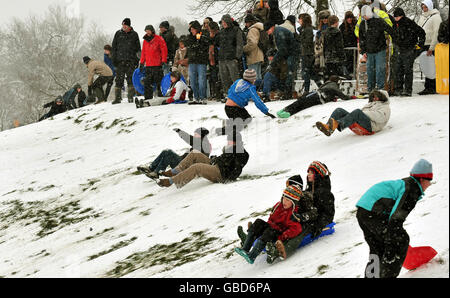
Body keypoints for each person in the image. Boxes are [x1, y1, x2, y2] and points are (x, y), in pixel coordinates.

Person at [356, 159, 434, 278]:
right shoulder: (412, 189)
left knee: (377, 249)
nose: (429, 184)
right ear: (422, 179)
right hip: (373, 213)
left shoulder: (405, 184)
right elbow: (397, 216)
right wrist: (394, 236)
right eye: (429, 180)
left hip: (364, 211)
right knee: (399, 241)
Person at [267, 162, 335, 262]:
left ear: (317, 175)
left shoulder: (325, 193)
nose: (308, 175)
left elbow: (328, 214)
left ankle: (283, 249)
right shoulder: (309, 189)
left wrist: (318, 225)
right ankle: (267, 239)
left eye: (311, 172)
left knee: (301, 229)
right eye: (308, 172)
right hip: (308, 216)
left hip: (316, 221)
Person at [234, 184, 302, 264]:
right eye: (284, 198)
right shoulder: (278, 206)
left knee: (269, 232)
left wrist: (282, 236)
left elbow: (297, 229)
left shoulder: (293, 215)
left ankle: (252, 256)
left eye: (288, 200)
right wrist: (263, 227)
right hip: (271, 228)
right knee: (258, 222)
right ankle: (245, 249)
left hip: (277, 234)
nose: (284, 201)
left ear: (293, 202)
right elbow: (271, 218)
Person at [156, 131, 249, 189]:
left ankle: (171, 181)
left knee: (197, 167)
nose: (228, 142)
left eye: (230, 141)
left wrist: (228, 179)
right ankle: (175, 171)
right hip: (216, 165)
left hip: (221, 174)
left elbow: (237, 168)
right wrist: (215, 159)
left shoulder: (242, 153)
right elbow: (224, 160)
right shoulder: (232, 149)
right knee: (194, 153)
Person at [217, 69, 275, 137]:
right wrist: (266, 112)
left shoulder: (238, 81)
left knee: (247, 119)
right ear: (253, 80)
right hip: (233, 109)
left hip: (229, 107)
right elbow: (258, 102)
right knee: (239, 125)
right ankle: (222, 130)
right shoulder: (251, 88)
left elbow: (231, 90)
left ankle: (231, 122)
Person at [137, 127, 211, 179]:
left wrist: (180, 132)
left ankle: (156, 172)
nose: (194, 135)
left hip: (186, 167)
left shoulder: (203, 143)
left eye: (196, 134)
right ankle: (151, 168)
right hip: (183, 163)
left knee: (168, 152)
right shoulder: (199, 143)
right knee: (166, 152)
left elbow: (189, 139)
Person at [316, 89, 391, 136]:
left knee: (357, 112)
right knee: (339, 110)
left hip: (370, 128)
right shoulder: (371, 104)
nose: (375, 98)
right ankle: (328, 127)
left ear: (382, 97)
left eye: (377, 97)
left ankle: (339, 124)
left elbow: (380, 117)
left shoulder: (385, 107)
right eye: (374, 97)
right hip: (360, 125)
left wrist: (363, 114)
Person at [277, 76, 351, 118]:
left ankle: (285, 110)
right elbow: (343, 96)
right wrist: (352, 97)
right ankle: (288, 113)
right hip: (317, 97)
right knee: (303, 105)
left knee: (301, 101)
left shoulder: (327, 84)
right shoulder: (333, 85)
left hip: (314, 93)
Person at [358, 5, 394, 92]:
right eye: (363, 16)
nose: (364, 17)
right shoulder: (363, 24)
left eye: (365, 15)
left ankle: (381, 90)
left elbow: (390, 30)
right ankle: (371, 90)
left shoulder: (379, 21)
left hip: (380, 50)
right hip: (369, 52)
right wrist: (363, 51)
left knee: (380, 71)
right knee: (370, 72)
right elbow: (361, 38)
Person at [392, 8, 426, 97]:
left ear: (401, 16)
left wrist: (419, 45)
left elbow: (421, 32)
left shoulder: (409, 23)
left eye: (397, 17)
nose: (395, 18)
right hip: (400, 49)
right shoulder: (395, 24)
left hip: (409, 49)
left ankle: (407, 90)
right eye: (395, 17)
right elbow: (394, 35)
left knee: (407, 70)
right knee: (399, 70)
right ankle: (399, 89)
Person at [264, 20, 298, 100]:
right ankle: (287, 92)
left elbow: (282, 50)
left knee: (289, 72)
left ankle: (287, 93)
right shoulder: (277, 31)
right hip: (290, 53)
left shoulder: (279, 33)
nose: (267, 32)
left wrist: (273, 63)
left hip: (292, 53)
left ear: (272, 27)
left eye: (268, 30)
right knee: (288, 72)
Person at [111, 18, 141, 104]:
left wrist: (137, 61)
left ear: (129, 26)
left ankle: (131, 97)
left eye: (125, 25)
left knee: (131, 79)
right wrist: (114, 60)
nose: (123, 27)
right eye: (123, 25)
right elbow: (114, 47)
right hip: (120, 61)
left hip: (130, 61)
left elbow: (138, 49)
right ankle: (117, 98)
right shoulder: (118, 34)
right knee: (118, 80)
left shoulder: (134, 34)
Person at [417, 0, 442, 95]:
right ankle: (428, 87)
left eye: (426, 7)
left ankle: (433, 87)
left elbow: (436, 33)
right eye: (423, 7)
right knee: (427, 67)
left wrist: (432, 47)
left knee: (433, 67)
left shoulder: (436, 17)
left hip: (432, 45)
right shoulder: (422, 17)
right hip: (424, 44)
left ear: (430, 6)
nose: (424, 9)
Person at [217, 15, 244, 102]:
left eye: (224, 22)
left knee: (234, 78)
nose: (223, 23)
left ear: (228, 21)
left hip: (232, 58)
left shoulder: (236, 30)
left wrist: (237, 57)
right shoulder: (221, 32)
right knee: (224, 78)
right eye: (222, 22)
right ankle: (227, 95)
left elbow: (240, 44)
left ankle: (238, 95)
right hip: (222, 58)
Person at [139, 25, 168, 101]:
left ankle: (161, 96)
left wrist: (163, 61)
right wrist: (142, 63)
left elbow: (164, 50)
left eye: (148, 30)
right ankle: (148, 98)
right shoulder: (145, 41)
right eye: (146, 31)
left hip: (157, 65)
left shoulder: (159, 39)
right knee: (147, 82)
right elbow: (143, 52)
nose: (147, 32)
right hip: (148, 65)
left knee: (159, 82)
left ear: (152, 31)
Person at [186, 20, 210, 104]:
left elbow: (206, 46)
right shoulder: (189, 37)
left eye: (193, 29)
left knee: (201, 79)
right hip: (192, 61)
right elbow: (189, 48)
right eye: (191, 29)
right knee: (193, 80)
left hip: (201, 61)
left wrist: (200, 40)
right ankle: (196, 97)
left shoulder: (203, 36)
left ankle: (202, 97)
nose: (191, 31)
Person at [298, 13, 322, 93]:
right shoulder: (305, 29)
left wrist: (299, 38)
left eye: (300, 19)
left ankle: (307, 90)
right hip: (307, 53)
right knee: (311, 73)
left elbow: (307, 41)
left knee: (307, 72)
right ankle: (320, 86)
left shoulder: (307, 29)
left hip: (307, 54)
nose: (299, 21)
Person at [243, 14, 265, 81]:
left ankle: (255, 90)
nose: (246, 25)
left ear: (250, 22)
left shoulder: (252, 30)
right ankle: (259, 90)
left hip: (253, 56)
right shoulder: (259, 28)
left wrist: (244, 49)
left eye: (246, 23)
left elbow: (252, 43)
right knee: (258, 76)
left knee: (253, 78)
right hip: (259, 55)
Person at [314, 10, 331, 80]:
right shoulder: (319, 31)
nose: (325, 20)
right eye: (323, 18)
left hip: (328, 51)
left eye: (326, 18)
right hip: (321, 52)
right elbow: (316, 42)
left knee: (328, 71)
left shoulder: (331, 28)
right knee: (322, 70)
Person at [339, 11, 358, 77]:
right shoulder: (342, 26)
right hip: (346, 48)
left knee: (355, 62)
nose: (349, 19)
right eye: (348, 18)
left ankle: (354, 74)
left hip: (355, 47)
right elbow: (341, 37)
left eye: (350, 17)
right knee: (347, 63)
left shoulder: (356, 24)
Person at [208, 21, 223, 101]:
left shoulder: (218, 36)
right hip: (215, 58)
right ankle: (216, 93)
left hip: (217, 58)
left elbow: (215, 45)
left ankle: (219, 94)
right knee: (214, 77)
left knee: (217, 77)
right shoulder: (215, 36)